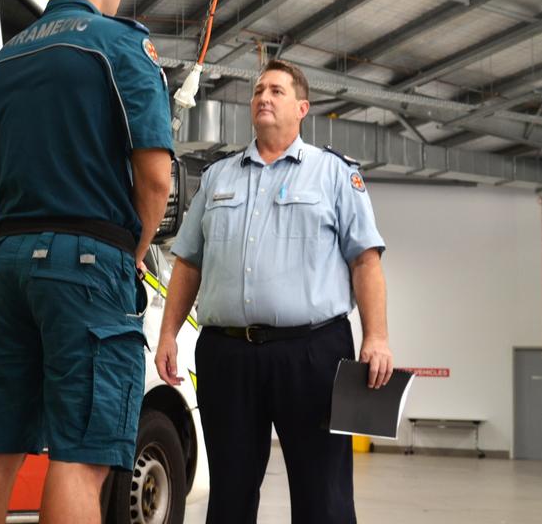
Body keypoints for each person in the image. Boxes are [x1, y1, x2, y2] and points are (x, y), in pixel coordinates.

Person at [0, 0, 174, 524]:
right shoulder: (119, 46)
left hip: (9, 267)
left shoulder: (5, 62)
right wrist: (131, 256)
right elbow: (156, 179)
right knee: (80, 457)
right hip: (87, 266)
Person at [154, 60, 392, 524]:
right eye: (258, 89)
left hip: (313, 353)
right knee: (229, 492)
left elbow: (366, 260)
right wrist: (168, 333)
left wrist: (376, 337)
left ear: (302, 107)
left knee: (322, 492)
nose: (263, 96)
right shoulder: (219, 177)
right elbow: (188, 262)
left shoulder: (334, 174)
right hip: (227, 355)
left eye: (277, 91)